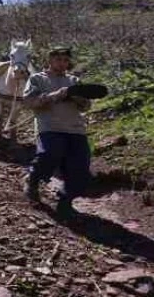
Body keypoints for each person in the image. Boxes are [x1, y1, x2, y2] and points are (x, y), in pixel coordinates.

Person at [22, 46, 92, 219]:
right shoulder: (37, 79)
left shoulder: (74, 80)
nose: (62, 63)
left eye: (65, 60)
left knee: (80, 167)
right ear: (50, 60)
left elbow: (87, 105)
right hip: (49, 127)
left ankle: (65, 202)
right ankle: (32, 180)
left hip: (75, 129)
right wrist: (55, 95)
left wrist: (79, 99)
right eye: (58, 60)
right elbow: (30, 102)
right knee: (49, 154)